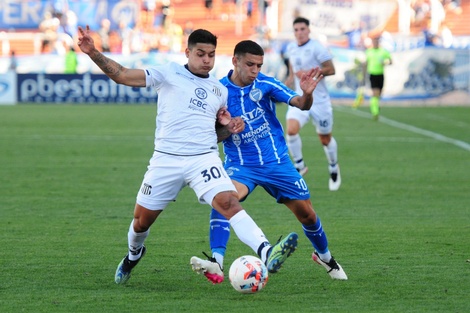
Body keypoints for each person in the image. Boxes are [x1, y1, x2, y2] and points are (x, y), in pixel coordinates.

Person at [77, 26, 298, 285]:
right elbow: (123, 75)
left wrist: (228, 128)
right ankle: (132, 256)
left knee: (228, 202)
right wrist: (93, 52)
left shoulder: (219, 91)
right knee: (140, 222)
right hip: (166, 160)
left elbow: (216, 134)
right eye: (201, 54)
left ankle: (267, 250)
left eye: (211, 55)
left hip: (203, 158)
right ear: (188, 52)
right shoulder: (169, 72)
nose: (206, 60)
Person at [190, 40, 348, 285]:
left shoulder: (266, 84)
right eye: (250, 64)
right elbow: (209, 136)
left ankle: (325, 257)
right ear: (235, 61)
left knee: (307, 215)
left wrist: (307, 94)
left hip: (278, 163)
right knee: (224, 199)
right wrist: (228, 129)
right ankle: (217, 261)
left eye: (259, 65)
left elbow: (300, 105)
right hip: (241, 166)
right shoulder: (217, 91)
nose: (255, 70)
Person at [284, 17, 341, 191]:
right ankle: (300, 166)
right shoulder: (291, 48)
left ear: (308, 30)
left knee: (325, 139)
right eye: (296, 30)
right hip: (300, 99)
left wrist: (310, 73)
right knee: (291, 130)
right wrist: (287, 82)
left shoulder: (316, 47)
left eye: (302, 29)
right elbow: (293, 71)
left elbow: (331, 69)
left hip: (320, 101)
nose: (299, 32)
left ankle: (333, 166)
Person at [364, 36, 392, 120]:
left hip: (380, 74)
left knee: (379, 94)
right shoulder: (369, 51)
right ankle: (375, 111)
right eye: (374, 41)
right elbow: (366, 63)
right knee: (375, 93)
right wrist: (363, 74)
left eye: (376, 41)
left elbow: (390, 61)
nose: (375, 43)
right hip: (372, 74)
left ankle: (375, 106)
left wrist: (385, 62)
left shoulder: (383, 51)